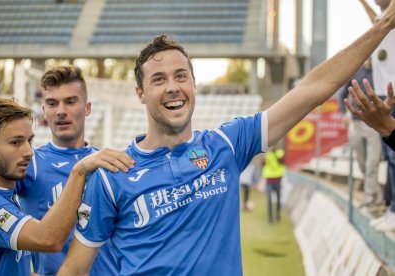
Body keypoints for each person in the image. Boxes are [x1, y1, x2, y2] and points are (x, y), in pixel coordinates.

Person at [59, 4, 395, 273]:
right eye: (158, 79)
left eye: (181, 76)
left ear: (194, 84)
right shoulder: (111, 175)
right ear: (140, 94)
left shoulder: (226, 145)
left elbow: (310, 91)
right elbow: (74, 270)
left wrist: (382, 28)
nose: (173, 86)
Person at [0, 97, 131, 275]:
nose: (29, 152)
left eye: (29, 141)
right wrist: (79, 172)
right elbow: (46, 239)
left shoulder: (4, 197)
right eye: (15, 142)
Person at [15, 65, 134, 275]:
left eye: (70, 102)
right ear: (44, 111)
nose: (61, 111)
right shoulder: (29, 162)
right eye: (52, 103)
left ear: (87, 108)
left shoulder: (109, 163)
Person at [359, 0, 395, 231]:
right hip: (383, 94)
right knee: (389, 158)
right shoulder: (382, 20)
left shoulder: (390, 17)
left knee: (393, 157)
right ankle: (391, 208)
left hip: (393, 92)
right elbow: (375, 18)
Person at [345, 79, 395, 232]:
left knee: (377, 163)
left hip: (379, 123)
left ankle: (379, 204)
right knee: (388, 161)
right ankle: (390, 208)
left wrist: (389, 130)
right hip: (363, 123)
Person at [339, 59, 383, 209]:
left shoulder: (380, 71)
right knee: (362, 164)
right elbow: (342, 95)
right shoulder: (355, 72)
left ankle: (370, 198)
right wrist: (343, 113)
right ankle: (377, 194)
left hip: (374, 124)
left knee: (372, 163)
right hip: (356, 122)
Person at [262, 144, 286, 223]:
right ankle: (270, 218)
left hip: (278, 181)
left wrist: (275, 154)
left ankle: (278, 214)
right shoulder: (267, 154)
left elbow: (282, 162)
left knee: (278, 200)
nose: (273, 147)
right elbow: (263, 164)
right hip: (269, 181)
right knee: (269, 200)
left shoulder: (280, 153)